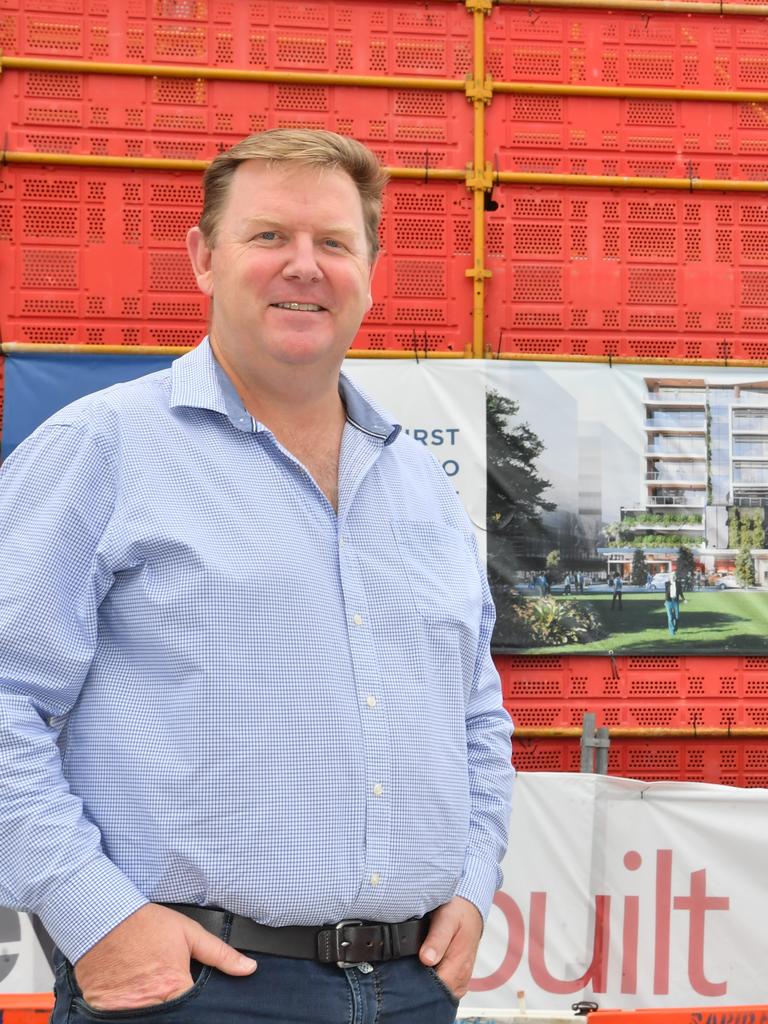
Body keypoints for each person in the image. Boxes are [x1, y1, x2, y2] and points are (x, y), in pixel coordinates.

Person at [0, 130, 514, 1024]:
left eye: (334, 243)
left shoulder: (419, 485)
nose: (304, 267)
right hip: (192, 992)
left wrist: (473, 879)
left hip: (410, 986)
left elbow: (474, 709)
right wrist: (99, 917)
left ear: (371, 269)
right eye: (269, 236)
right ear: (203, 258)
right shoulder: (103, 450)